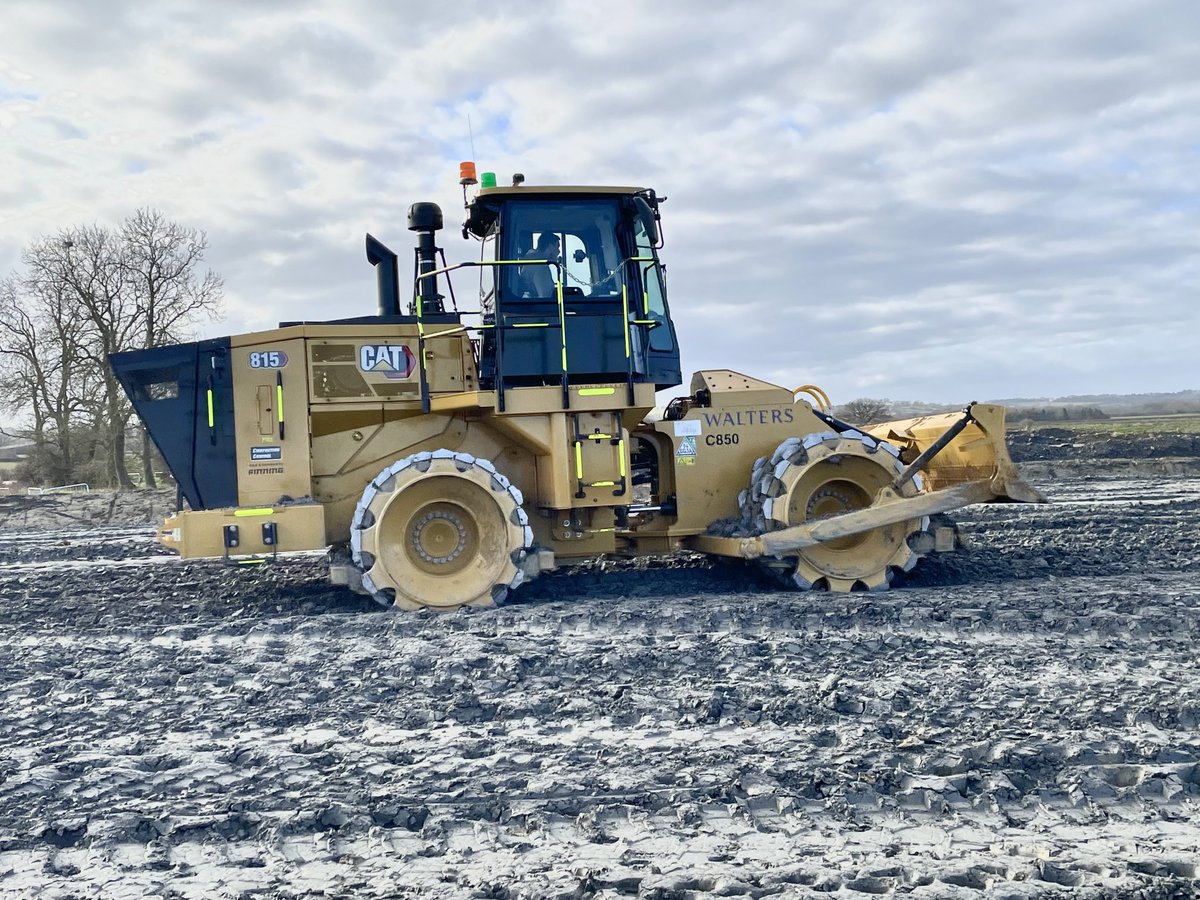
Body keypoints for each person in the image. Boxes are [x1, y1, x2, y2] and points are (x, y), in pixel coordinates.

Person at [519, 232, 560, 297]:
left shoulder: (532, 260)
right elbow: (545, 296)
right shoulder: (540, 266)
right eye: (557, 247)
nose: (559, 251)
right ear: (550, 247)